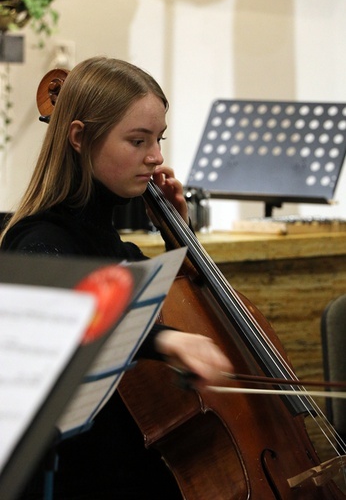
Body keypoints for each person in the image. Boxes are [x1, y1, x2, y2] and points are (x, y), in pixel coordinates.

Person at [0, 57, 233, 499]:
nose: (156, 156)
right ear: (79, 137)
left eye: (158, 139)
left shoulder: (120, 251)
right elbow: (76, 320)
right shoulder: (38, 243)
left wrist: (177, 237)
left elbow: (186, 305)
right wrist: (163, 341)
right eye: (137, 140)